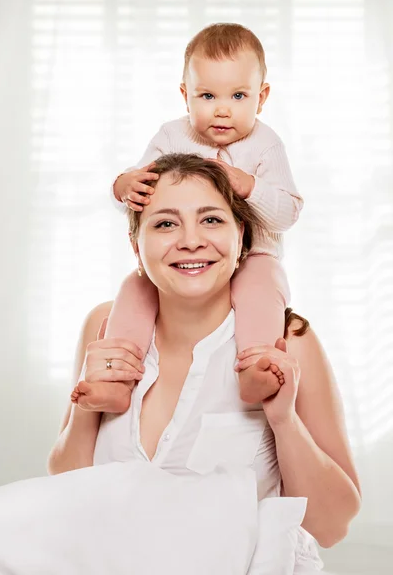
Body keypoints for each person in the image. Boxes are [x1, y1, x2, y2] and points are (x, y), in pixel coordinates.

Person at [49, 154, 361, 567]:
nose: (191, 240)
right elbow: (67, 495)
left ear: (241, 237)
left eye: (211, 220)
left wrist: (284, 421)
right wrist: (85, 406)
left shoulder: (287, 343)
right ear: (136, 246)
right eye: (165, 223)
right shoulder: (103, 327)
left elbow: (332, 527)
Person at [98, 22, 303, 412]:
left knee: (263, 289)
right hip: (185, 261)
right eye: (207, 95)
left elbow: (288, 213)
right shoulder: (172, 136)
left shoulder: (266, 145)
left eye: (238, 95)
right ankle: (116, 377)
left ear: (261, 98)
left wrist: (249, 186)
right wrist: (123, 184)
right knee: (134, 290)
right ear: (185, 95)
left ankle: (254, 366)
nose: (221, 109)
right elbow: (138, 201)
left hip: (253, 255)